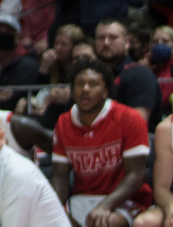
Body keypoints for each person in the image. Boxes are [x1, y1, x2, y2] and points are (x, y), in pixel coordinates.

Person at [51, 59, 152, 227]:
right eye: (80, 84)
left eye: (93, 84)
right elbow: (60, 175)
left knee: (103, 222)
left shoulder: (129, 118)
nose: (85, 89)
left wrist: (106, 205)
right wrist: (53, 207)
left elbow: (135, 176)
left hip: (124, 199)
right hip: (82, 198)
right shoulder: (63, 122)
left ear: (105, 91)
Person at [96, 19, 161, 128]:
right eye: (101, 38)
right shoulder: (89, 75)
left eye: (113, 37)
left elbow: (137, 123)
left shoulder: (140, 74)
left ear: (127, 43)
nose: (106, 43)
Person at [0, 14, 42, 110]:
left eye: (7, 31)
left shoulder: (27, 64)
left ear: (17, 37)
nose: (2, 35)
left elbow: (12, 99)